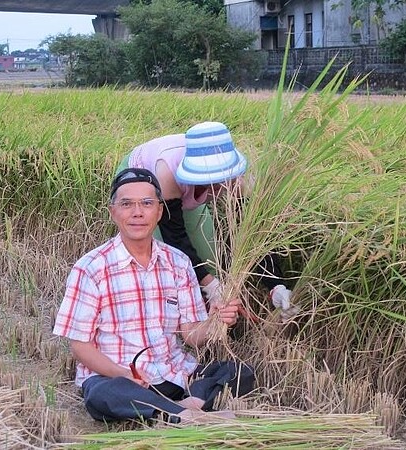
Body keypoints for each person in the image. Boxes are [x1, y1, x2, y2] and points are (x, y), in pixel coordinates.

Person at [53, 168, 255, 424]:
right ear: (112, 212)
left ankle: (179, 410)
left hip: (175, 375)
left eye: (147, 204)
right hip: (122, 379)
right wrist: (122, 373)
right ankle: (189, 413)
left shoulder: (179, 262)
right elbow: (79, 345)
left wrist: (217, 321)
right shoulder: (91, 267)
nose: (137, 212)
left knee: (239, 372)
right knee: (103, 395)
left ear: (159, 211)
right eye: (127, 204)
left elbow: (192, 335)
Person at [120, 121, 296, 318]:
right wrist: (210, 286)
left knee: (208, 260)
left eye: (219, 180)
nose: (215, 186)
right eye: (206, 180)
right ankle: (173, 324)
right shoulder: (167, 173)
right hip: (142, 182)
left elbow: (253, 235)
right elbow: (175, 240)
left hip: (183, 196)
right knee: (165, 261)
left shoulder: (238, 180)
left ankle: (209, 324)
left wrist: (276, 285)